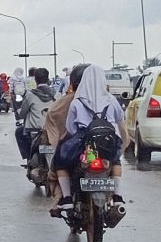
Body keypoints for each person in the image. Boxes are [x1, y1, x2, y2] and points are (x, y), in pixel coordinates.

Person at [52, 65, 129, 211]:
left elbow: (70, 128)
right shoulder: (112, 100)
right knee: (116, 160)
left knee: (60, 162)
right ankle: (117, 196)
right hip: (108, 143)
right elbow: (120, 122)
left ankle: (67, 198)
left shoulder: (77, 102)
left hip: (85, 145)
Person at [44, 64, 87, 204]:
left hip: (76, 147)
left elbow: (55, 118)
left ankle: (64, 198)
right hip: (104, 146)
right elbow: (120, 126)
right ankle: (116, 196)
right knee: (115, 163)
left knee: (59, 164)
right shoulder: (108, 99)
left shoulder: (70, 101)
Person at [16, 68, 56, 160]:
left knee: (19, 132)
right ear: (47, 78)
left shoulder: (30, 95)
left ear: (35, 80)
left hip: (34, 129)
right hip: (52, 129)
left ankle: (28, 157)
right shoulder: (56, 94)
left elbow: (22, 113)